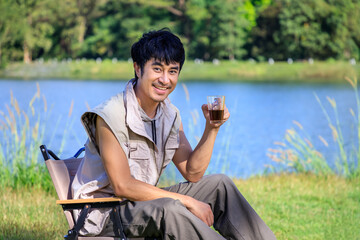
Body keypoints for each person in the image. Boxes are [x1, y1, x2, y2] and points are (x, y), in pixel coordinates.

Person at [72, 28, 276, 240]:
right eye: (157, 69)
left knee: (220, 184)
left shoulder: (168, 114)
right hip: (105, 215)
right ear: (138, 69)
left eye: (173, 71)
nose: (165, 79)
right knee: (170, 208)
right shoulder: (109, 114)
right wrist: (188, 201)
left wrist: (211, 128)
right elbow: (122, 185)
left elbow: (192, 171)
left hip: (143, 205)